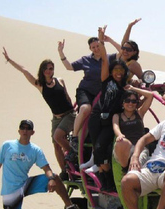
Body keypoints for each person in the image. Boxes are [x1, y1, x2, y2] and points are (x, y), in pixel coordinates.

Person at [2, 48, 75, 179]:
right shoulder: (40, 85)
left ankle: (74, 154)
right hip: (56, 118)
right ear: (42, 70)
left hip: (69, 115)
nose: (49, 71)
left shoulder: (60, 80)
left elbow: (68, 97)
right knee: (56, 145)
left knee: (58, 137)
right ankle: (65, 171)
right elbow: (24, 70)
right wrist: (9, 60)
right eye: (46, 68)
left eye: (51, 68)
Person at [57, 33, 118, 162]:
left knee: (96, 120)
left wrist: (109, 40)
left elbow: (122, 52)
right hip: (85, 91)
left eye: (98, 46)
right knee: (85, 109)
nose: (96, 49)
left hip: (101, 94)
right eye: (93, 47)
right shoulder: (86, 59)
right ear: (90, 49)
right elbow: (69, 67)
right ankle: (74, 138)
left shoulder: (108, 58)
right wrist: (61, 52)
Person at [87, 26, 128, 192]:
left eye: (121, 70)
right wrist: (101, 40)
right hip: (97, 117)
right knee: (97, 152)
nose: (118, 72)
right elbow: (104, 58)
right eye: (115, 70)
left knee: (101, 148)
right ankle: (105, 181)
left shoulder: (124, 85)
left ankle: (108, 180)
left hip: (110, 121)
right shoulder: (106, 79)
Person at [112, 86, 154, 170]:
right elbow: (115, 126)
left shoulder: (139, 113)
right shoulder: (117, 116)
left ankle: (131, 173)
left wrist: (133, 88)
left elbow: (150, 95)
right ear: (122, 102)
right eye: (127, 100)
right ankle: (124, 168)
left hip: (140, 148)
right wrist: (120, 135)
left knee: (136, 163)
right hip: (124, 149)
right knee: (122, 142)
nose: (130, 103)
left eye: (134, 101)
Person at [104, 18, 143, 85]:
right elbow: (124, 43)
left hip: (123, 91)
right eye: (124, 49)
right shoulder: (120, 57)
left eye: (129, 50)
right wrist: (129, 26)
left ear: (134, 52)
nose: (125, 51)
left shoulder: (133, 64)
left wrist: (136, 82)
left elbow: (144, 79)